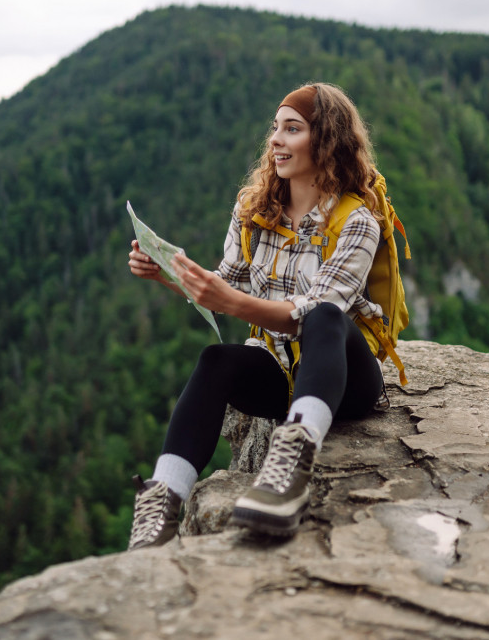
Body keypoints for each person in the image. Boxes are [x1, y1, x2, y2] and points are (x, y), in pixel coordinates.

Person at [126, 82, 387, 549]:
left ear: (325, 141)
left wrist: (230, 302)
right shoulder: (255, 211)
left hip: (343, 380)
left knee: (326, 316)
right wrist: (170, 273)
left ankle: (291, 469)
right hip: (278, 374)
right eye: (275, 129)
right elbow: (230, 282)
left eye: (292, 129)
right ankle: (161, 502)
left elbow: (307, 313)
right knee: (215, 361)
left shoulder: (357, 222)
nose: (275, 140)